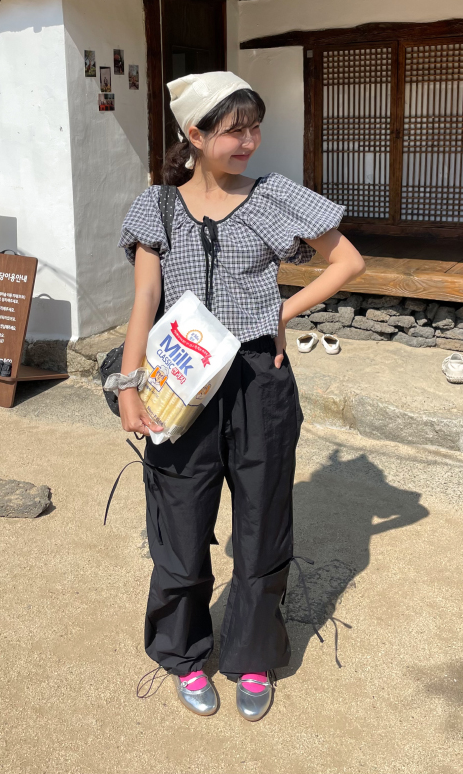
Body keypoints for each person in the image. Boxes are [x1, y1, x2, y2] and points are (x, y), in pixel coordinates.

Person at [117, 71, 365, 721]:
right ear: (195, 135)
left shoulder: (275, 195)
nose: (249, 141)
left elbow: (348, 261)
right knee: (179, 523)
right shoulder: (157, 207)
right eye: (234, 130)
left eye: (255, 127)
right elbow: (145, 297)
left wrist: (281, 312)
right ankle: (182, 652)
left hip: (258, 379)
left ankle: (253, 655)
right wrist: (128, 380)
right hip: (178, 379)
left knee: (262, 524)